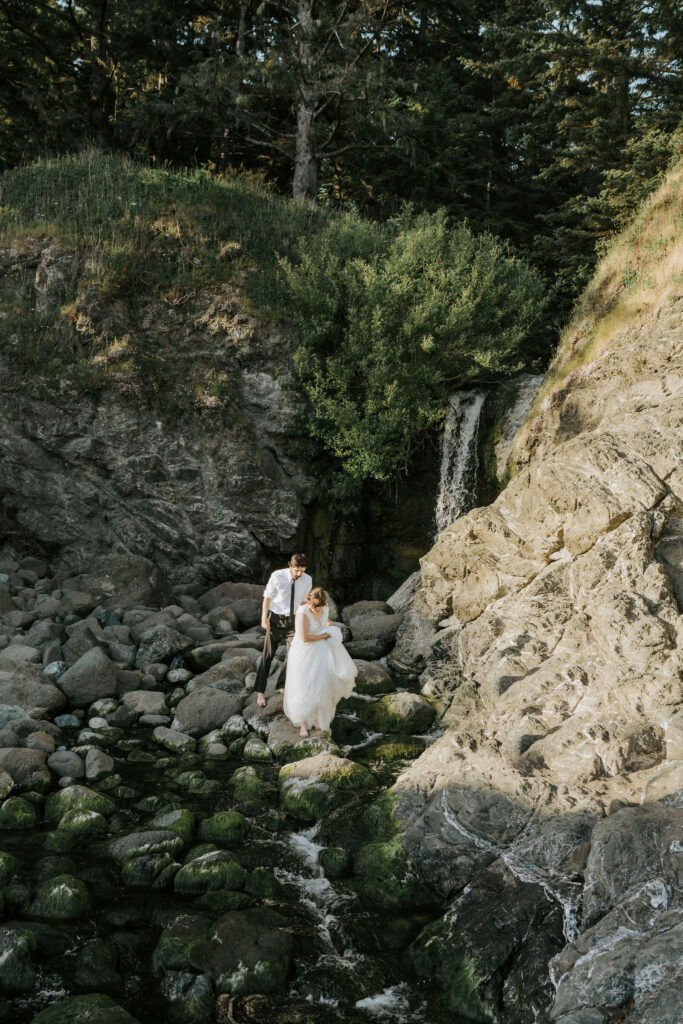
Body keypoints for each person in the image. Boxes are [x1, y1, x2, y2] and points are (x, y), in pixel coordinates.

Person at [283, 587, 358, 738]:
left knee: (320, 683)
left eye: (319, 606)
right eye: (314, 606)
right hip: (304, 651)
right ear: (309, 600)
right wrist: (324, 636)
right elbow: (304, 638)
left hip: (320, 651)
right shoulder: (302, 612)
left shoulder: (324, 608)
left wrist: (331, 630)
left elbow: (326, 622)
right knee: (304, 684)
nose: (317, 610)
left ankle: (317, 717)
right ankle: (303, 723)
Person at [255, 553, 312, 708]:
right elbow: (267, 597)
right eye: (297, 570)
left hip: (293, 621)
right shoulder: (277, 576)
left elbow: (304, 600)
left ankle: (281, 685)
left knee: (293, 655)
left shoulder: (307, 579)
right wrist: (264, 618)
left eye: (302, 570)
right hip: (275, 619)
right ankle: (260, 692)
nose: (299, 574)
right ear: (290, 565)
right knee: (267, 655)